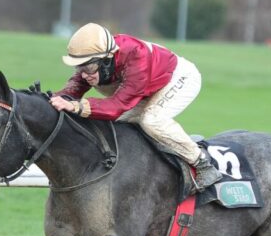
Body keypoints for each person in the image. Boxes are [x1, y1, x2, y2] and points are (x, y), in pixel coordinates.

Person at [49, 23, 222, 192]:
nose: (84, 74)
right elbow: (73, 89)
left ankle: (203, 165)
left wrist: (76, 106)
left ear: (107, 58)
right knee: (110, 124)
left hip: (178, 79)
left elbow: (118, 105)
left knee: (151, 121)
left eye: (89, 67)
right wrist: (54, 99)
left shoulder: (136, 56)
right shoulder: (94, 60)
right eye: (80, 67)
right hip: (145, 86)